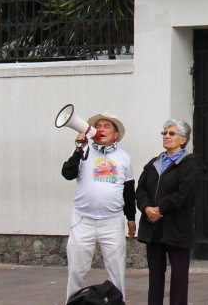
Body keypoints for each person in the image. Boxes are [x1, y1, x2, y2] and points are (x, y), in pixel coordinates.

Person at [60, 111, 135, 302]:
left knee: (116, 269)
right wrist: (78, 149)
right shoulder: (84, 151)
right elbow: (67, 174)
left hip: (112, 221)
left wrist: (131, 218)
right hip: (83, 220)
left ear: (116, 134)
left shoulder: (124, 157)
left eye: (107, 126)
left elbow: (128, 191)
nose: (101, 129)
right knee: (77, 269)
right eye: (98, 126)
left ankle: (118, 302)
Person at [136, 119, 199, 305]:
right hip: (153, 227)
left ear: (183, 140)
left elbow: (184, 194)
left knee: (179, 276)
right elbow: (140, 190)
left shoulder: (189, 164)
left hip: (177, 227)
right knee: (155, 275)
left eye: (172, 134)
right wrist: (146, 208)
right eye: (165, 133)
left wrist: (160, 208)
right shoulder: (154, 163)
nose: (167, 136)